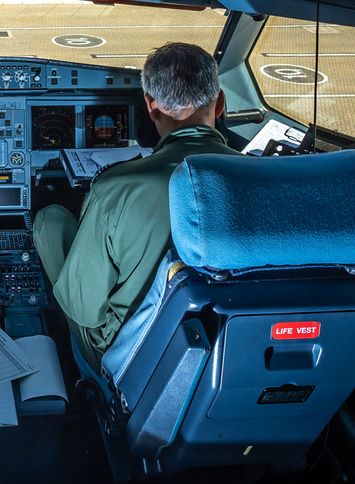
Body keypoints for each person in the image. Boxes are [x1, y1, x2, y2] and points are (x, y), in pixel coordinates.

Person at [33, 42, 241, 377]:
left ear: (150, 106)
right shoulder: (263, 180)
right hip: (231, 342)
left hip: (137, 356)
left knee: (50, 220)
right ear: (219, 103)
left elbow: (84, 310)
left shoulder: (116, 187)